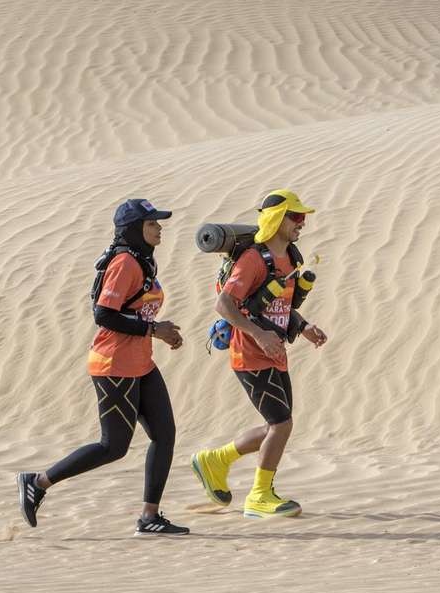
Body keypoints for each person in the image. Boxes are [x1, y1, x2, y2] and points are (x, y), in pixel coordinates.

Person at [17, 198, 189, 536]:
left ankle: (149, 516)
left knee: (164, 435)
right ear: (134, 229)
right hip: (114, 365)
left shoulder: (142, 260)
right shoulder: (125, 263)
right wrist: (154, 330)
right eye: (152, 223)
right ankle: (37, 482)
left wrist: (158, 331)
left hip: (140, 364)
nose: (159, 228)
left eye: (158, 222)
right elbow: (104, 315)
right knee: (113, 446)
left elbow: (134, 311)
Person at [191, 189, 328, 518]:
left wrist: (303, 326)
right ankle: (259, 496)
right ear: (277, 220)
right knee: (281, 424)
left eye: (303, 217)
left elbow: (279, 306)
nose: (302, 223)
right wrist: (258, 334)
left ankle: (215, 460)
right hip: (250, 354)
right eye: (296, 217)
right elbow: (224, 304)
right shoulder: (254, 259)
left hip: (275, 352)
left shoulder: (290, 258)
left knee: (277, 426)